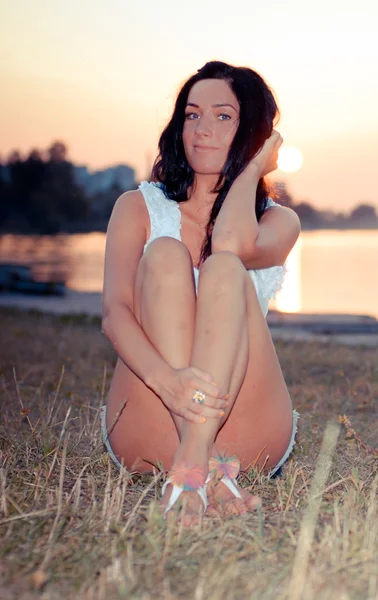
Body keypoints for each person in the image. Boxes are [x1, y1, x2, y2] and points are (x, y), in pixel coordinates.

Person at [100, 61, 301, 524]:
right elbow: (115, 313)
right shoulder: (137, 208)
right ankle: (200, 465)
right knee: (167, 254)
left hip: (247, 430)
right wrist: (168, 382)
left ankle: (193, 460)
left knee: (224, 268)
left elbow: (230, 244)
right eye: (192, 115)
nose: (202, 129)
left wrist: (251, 168)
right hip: (150, 421)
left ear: (252, 132)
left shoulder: (278, 221)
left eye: (223, 116)